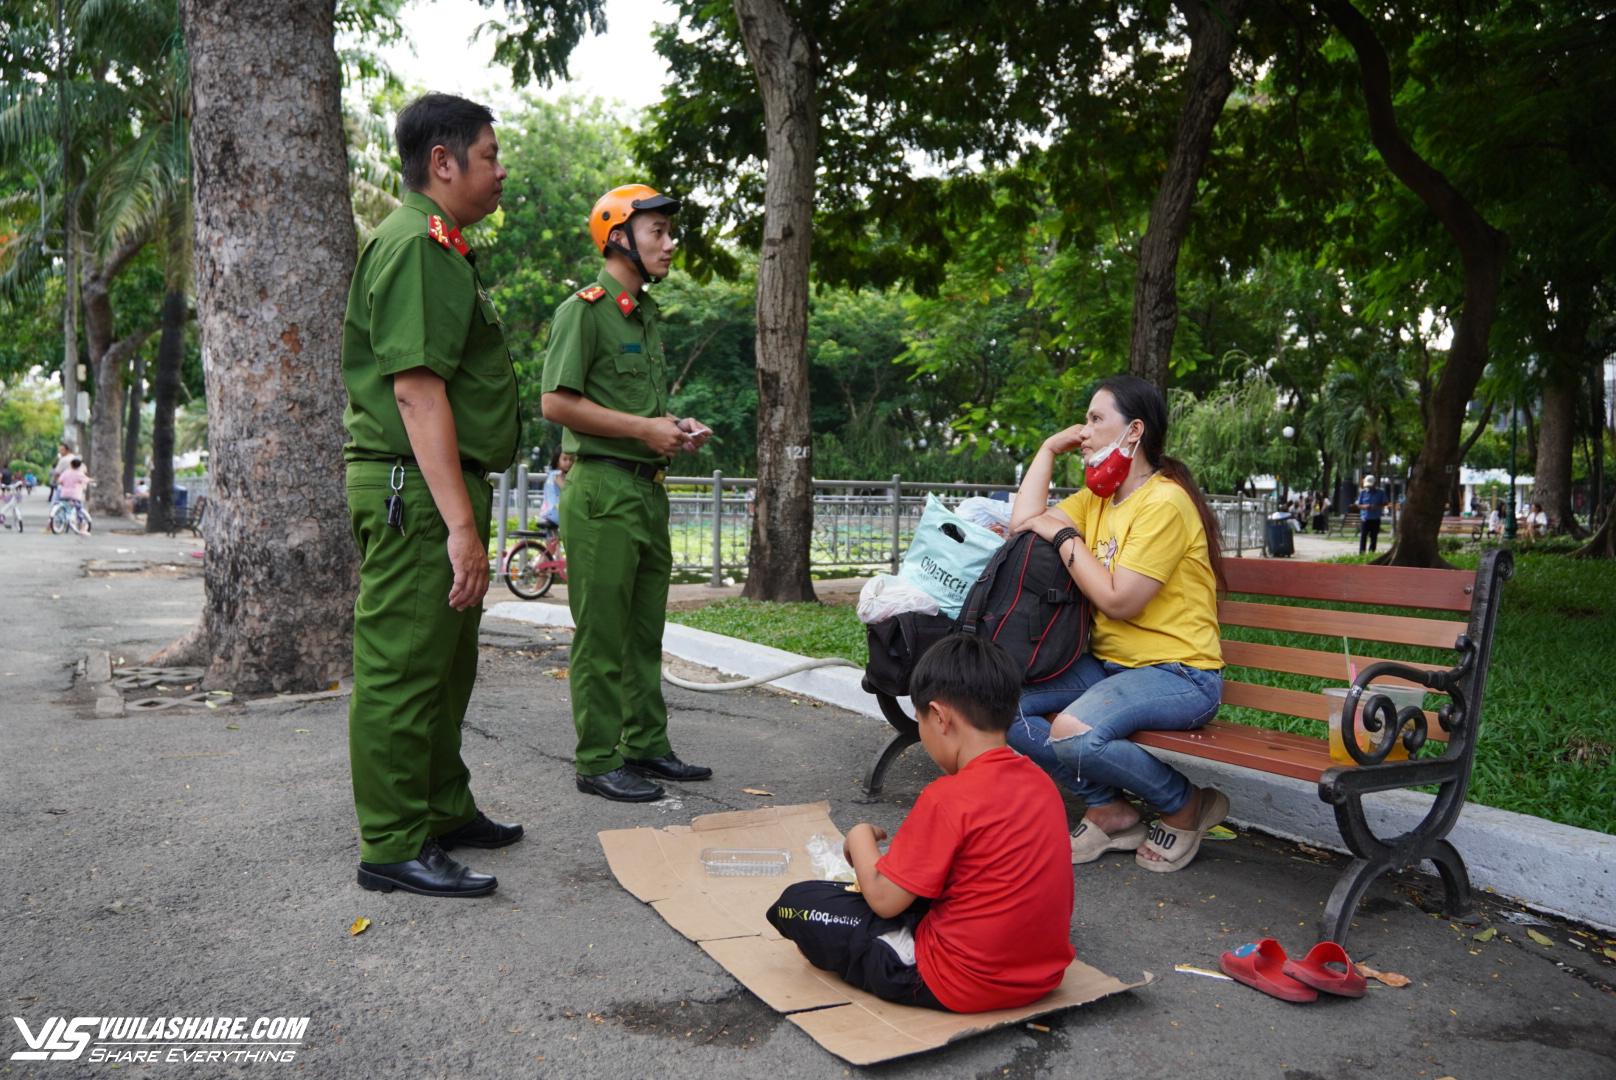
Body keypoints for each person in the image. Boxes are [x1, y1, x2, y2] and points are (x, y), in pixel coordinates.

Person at [340, 93, 523, 899]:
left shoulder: (439, 245)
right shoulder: (416, 244)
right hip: (414, 492)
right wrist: (458, 523)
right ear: (442, 162)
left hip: (431, 489)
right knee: (403, 670)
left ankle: (441, 808)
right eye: (489, 154)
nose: (500, 168)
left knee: (444, 667)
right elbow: (416, 393)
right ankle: (391, 842)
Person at [765, 634, 1075, 1012]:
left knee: (796, 904)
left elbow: (883, 901)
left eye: (921, 721)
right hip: (1041, 976)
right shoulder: (1040, 782)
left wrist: (859, 838)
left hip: (955, 980)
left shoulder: (948, 797)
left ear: (940, 717)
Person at [1006, 374, 1228, 873]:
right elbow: (1023, 522)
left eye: (1094, 419)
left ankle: (1185, 804)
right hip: (1111, 667)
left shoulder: (1164, 502)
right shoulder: (1100, 501)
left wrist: (1065, 537)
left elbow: (1119, 599)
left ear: (1133, 433)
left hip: (1181, 673)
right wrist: (1047, 449)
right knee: (999, 704)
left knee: (1074, 733)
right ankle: (1109, 808)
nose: (1083, 431)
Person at [541, 183, 713, 803]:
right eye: (657, 232)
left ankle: (645, 745)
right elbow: (556, 402)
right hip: (603, 491)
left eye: (670, 232)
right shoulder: (583, 312)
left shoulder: (645, 315)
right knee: (603, 632)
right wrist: (645, 429)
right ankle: (597, 759)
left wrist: (672, 428)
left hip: (646, 489)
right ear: (619, 237)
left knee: (644, 631)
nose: (670, 244)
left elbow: (634, 408)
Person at [55, 458, 93, 535]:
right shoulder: (79, 474)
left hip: (64, 494)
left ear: (71, 464)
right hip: (75, 495)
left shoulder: (66, 472)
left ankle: (62, 521)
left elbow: (59, 481)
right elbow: (87, 480)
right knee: (79, 510)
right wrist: (93, 480)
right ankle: (82, 527)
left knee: (65, 506)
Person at [537, 449, 573, 527]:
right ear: (557, 461)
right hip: (555, 513)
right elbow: (567, 490)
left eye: (571, 459)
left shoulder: (551, 474)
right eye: (565, 459)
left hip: (547, 512)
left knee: (552, 538)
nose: (568, 462)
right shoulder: (557, 475)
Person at [1355, 474, 1388, 554]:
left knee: (1374, 537)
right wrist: (1365, 506)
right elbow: (1358, 504)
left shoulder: (1381, 492)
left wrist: (1376, 506)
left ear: (1375, 484)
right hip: (1365, 519)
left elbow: (1385, 503)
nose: (1369, 487)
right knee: (1363, 537)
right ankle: (1362, 553)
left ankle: (1371, 552)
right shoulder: (1363, 492)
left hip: (1375, 518)